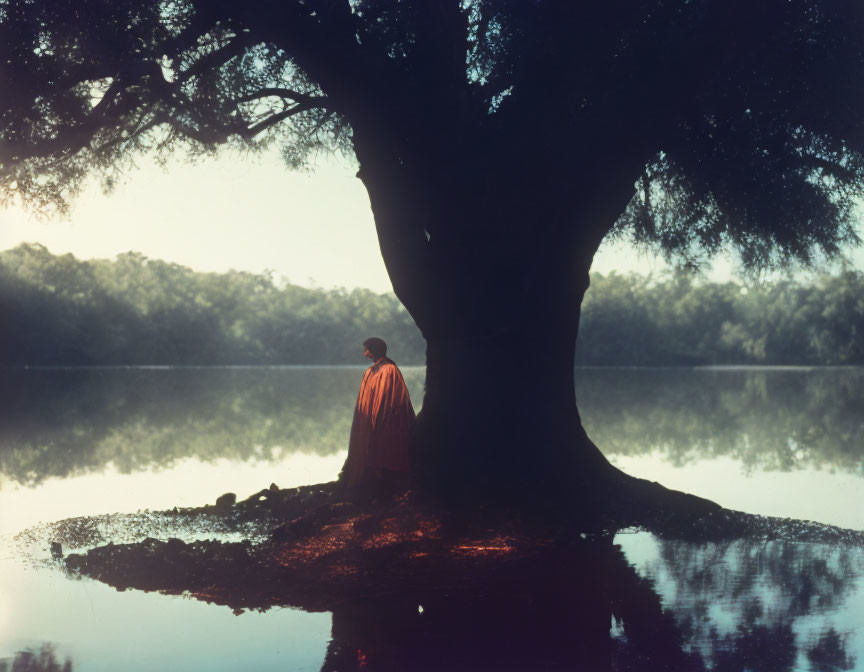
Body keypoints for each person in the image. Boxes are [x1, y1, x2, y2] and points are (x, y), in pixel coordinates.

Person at [340, 337, 415, 497]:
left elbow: (386, 400)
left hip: (386, 422)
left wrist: (377, 420)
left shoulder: (389, 370)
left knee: (385, 450)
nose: (365, 353)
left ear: (375, 350)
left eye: (367, 350)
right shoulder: (371, 371)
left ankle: (385, 484)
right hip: (372, 421)